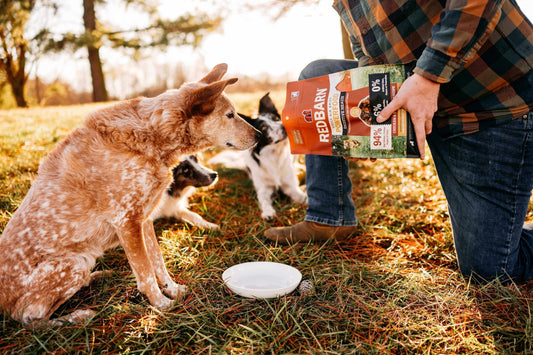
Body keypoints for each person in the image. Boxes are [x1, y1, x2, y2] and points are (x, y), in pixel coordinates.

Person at [265, 0, 533, 284]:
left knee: (489, 271)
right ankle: (329, 217)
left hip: (494, 104)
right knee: (317, 77)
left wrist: (429, 76)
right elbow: (370, 52)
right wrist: (370, 126)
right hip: (421, 101)